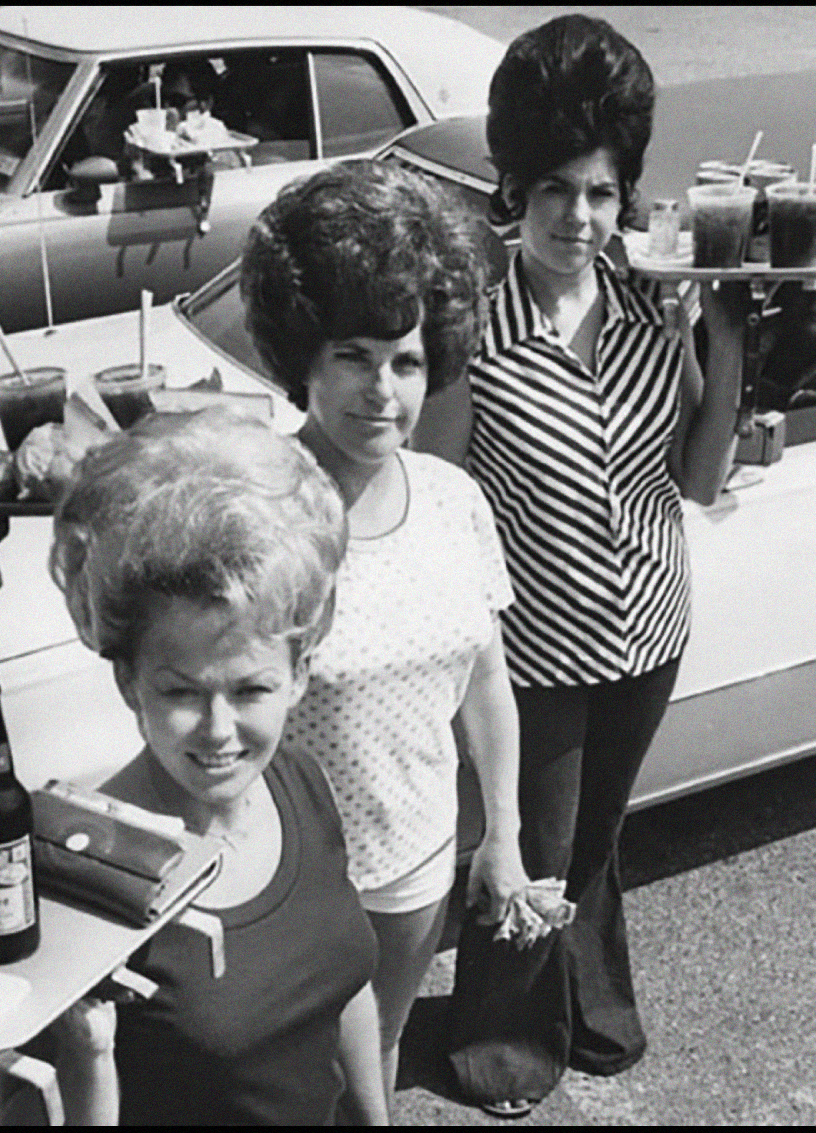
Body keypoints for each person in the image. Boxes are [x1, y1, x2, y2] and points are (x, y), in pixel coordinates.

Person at [412, 13, 745, 1113]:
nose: (580, 217)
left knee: (598, 836)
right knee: (534, 847)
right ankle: (499, 1038)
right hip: (530, 650)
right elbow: (442, 497)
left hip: (649, 623)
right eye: (556, 188)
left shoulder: (657, 299)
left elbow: (696, 477)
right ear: (516, 185)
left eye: (601, 192)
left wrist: (730, 338)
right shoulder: (471, 321)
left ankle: (592, 1004)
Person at [240, 160, 531, 1106]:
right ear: (303, 358)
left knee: (387, 1051)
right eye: (353, 356)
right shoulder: (259, 510)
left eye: (404, 360)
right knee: (301, 1082)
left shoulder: (456, 499)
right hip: (289, 882)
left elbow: (485, 676)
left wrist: (505, 836)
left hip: (415, 864)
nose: (382, 391)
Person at [3, 408, 386, 1125]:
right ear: (128, 683)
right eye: (180, 691)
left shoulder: (302, 783)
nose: (218, 731)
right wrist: (87, 1054)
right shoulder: (80, 877)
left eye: (251, 688)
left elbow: (347, 991)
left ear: (300, 672)